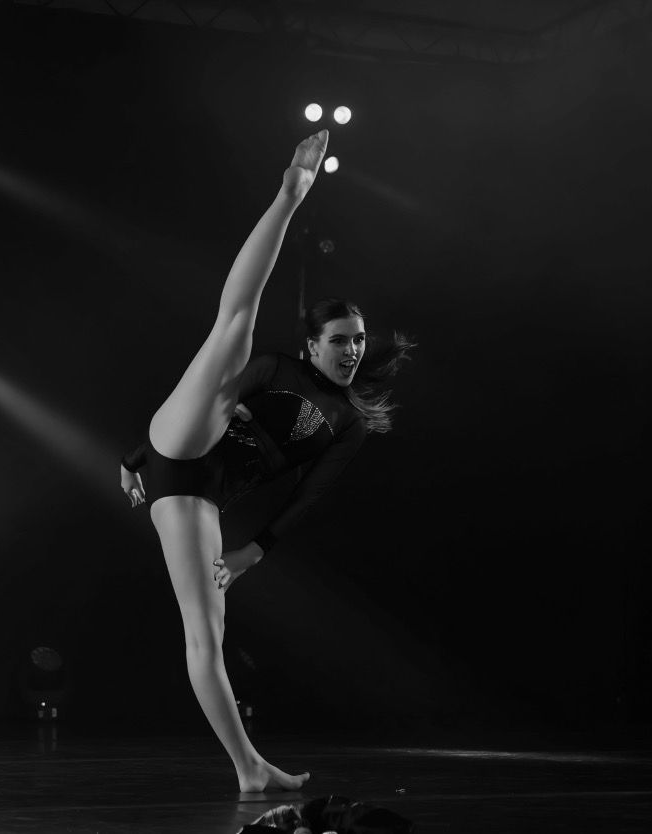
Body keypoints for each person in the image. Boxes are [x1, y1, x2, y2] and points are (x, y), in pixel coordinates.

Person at [119, 130, 415, 792]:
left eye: (359, 341)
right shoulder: (277, 366)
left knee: (207, 632)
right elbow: (209, 401)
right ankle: (290, 194)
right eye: (339, 340)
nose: (352, 351)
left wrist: (258, 548)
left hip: (195, 492)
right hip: (179, 445)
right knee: (233, 327)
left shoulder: (349, 421)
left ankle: (248, 769)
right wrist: (136, 456)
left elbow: (310, 496)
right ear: (312, 346)